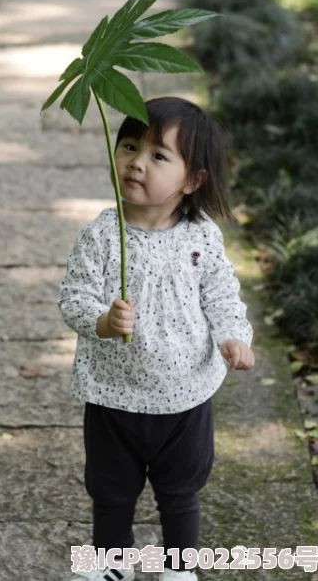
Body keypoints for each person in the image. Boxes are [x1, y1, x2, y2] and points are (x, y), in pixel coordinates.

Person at [58, 96, 256, 581]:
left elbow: (220, 292)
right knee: (110, 488)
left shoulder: (201, 236)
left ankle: (179, 566)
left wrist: (234, 334)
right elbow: (73, 298)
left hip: (185, 392)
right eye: (129, 146)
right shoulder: (102, 236)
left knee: (180, 489)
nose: (136, 162)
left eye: (157, 155)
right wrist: (103, 321)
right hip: (113, 392)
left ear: (192, 181)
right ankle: (112, 562)